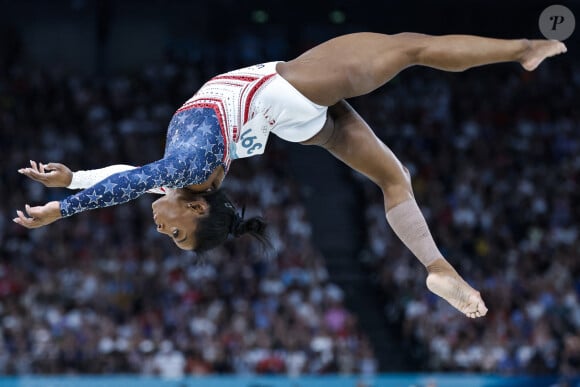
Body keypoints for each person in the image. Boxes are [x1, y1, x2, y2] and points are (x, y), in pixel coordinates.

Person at [14, 32, 567, 319]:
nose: (163, 230)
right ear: (200, 207)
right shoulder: (189, 169)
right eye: (177, 234)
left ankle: (437, 266)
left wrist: (72, 181)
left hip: (287, 124)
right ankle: (523, 50)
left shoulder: (180, 178)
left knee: (394, 178)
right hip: (282, 93)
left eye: (170, 235)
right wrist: (62, 211)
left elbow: (127, 176)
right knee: (411, 50)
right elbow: (132, 182)